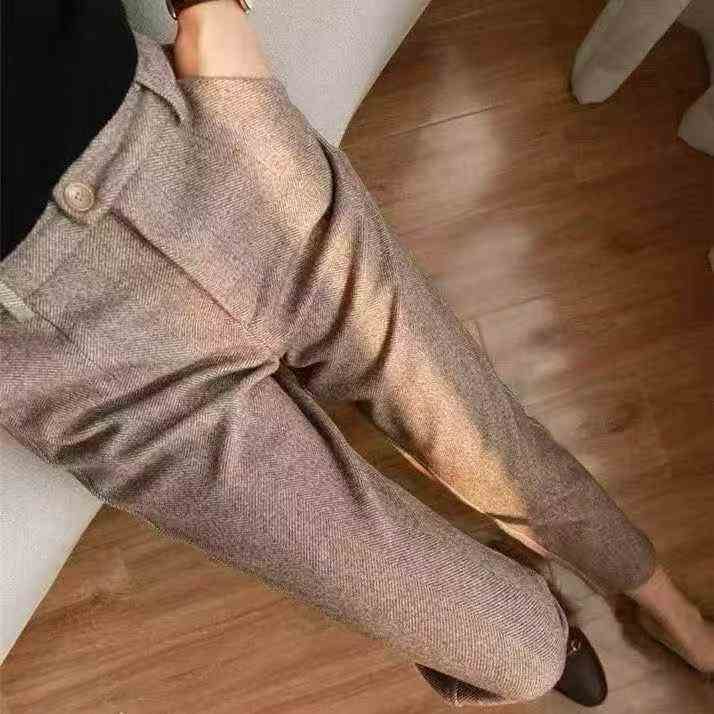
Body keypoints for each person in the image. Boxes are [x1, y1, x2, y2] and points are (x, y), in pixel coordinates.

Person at [1, 0, 712, 707]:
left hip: (197, 157)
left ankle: (662, 599)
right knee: (520, 657)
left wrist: (213, 13)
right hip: (71, 353)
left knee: (498, 446)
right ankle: (528, 615)